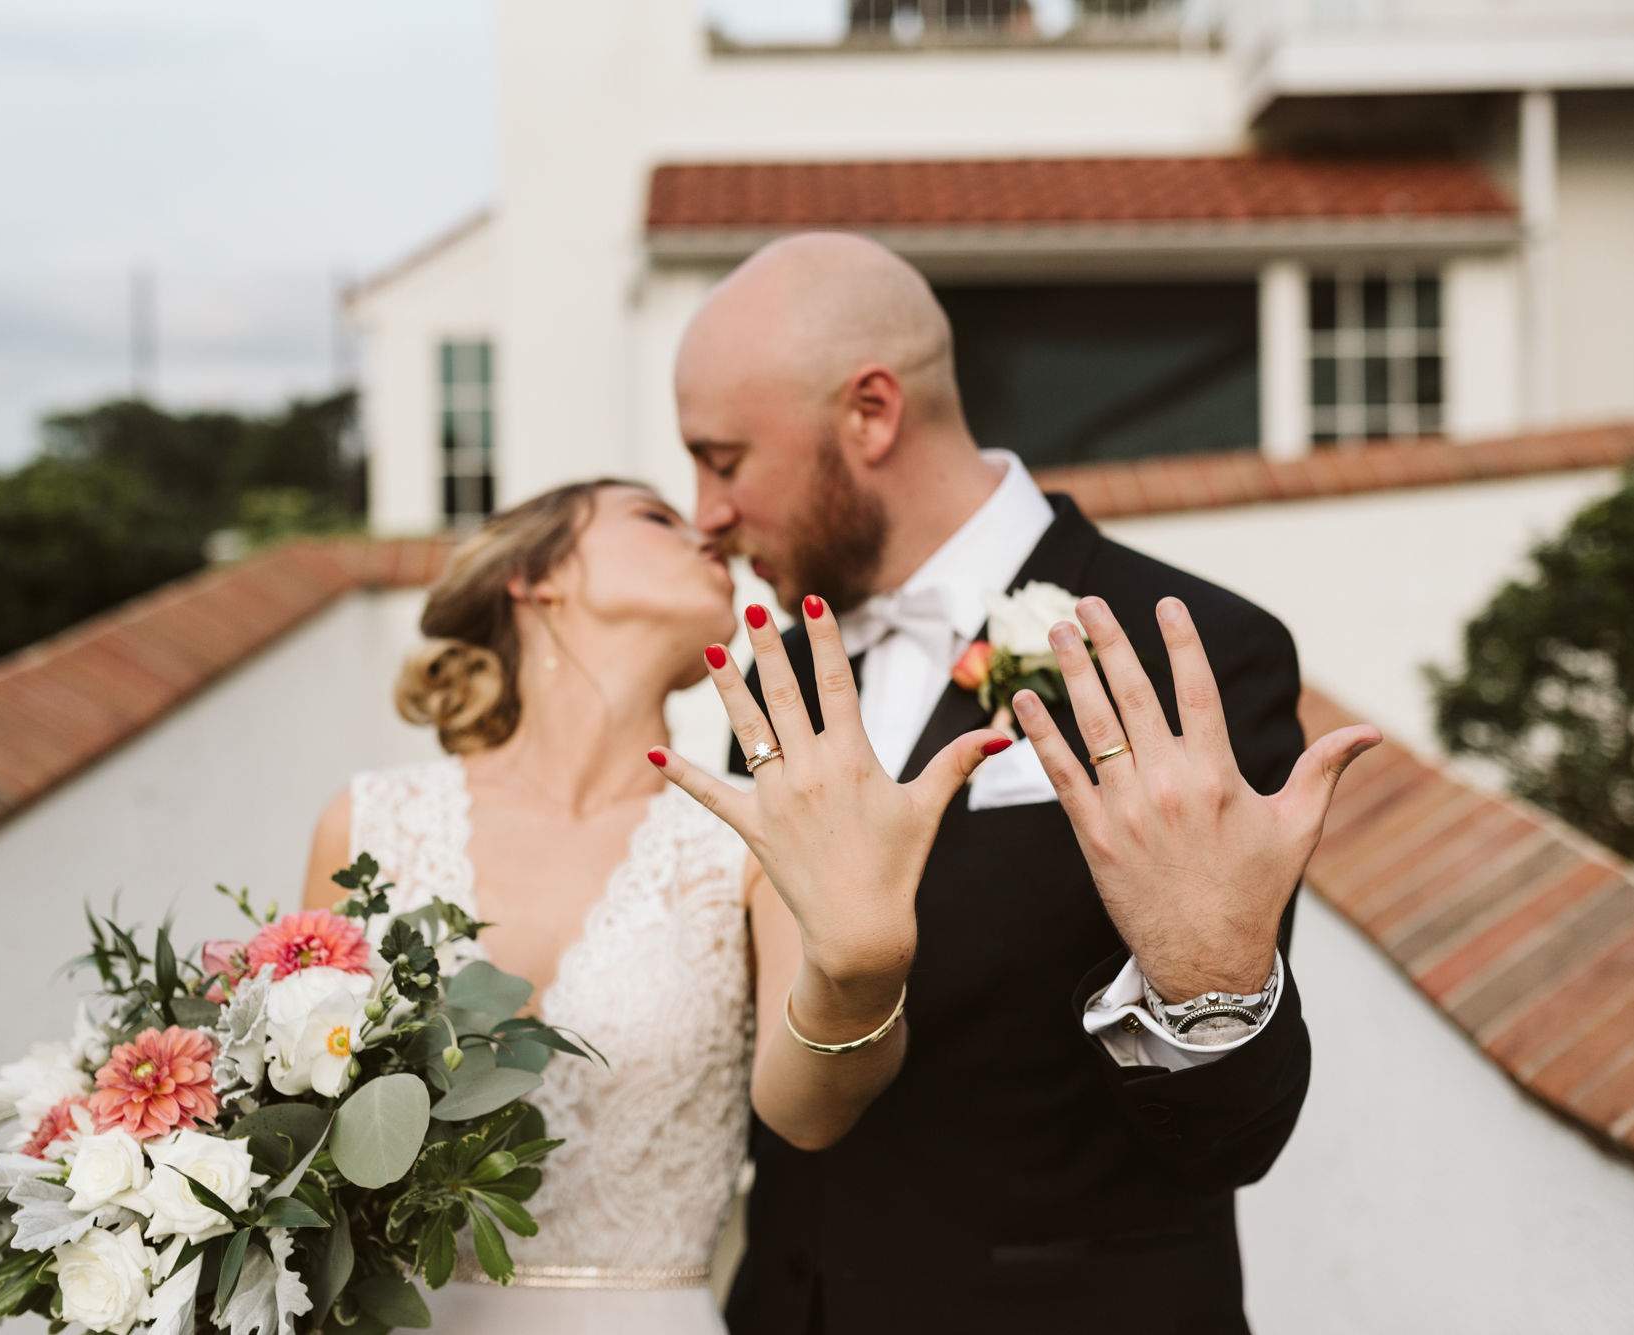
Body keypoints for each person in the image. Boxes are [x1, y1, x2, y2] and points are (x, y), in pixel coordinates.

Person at [655, 232, 1382, 1334]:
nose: (705, 512)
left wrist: (1207, 985)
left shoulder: (1185, 651)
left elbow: (1233, 1140)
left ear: (870, 414)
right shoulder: (785, 668)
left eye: (722, 459)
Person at [299, 480, 1008, 1334]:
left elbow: (808, 1110)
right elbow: (299, 1131)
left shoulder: (750, 836)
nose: (707, 528)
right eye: (654, 515)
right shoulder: (366, 823)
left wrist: (862, 963)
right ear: (534, 575)